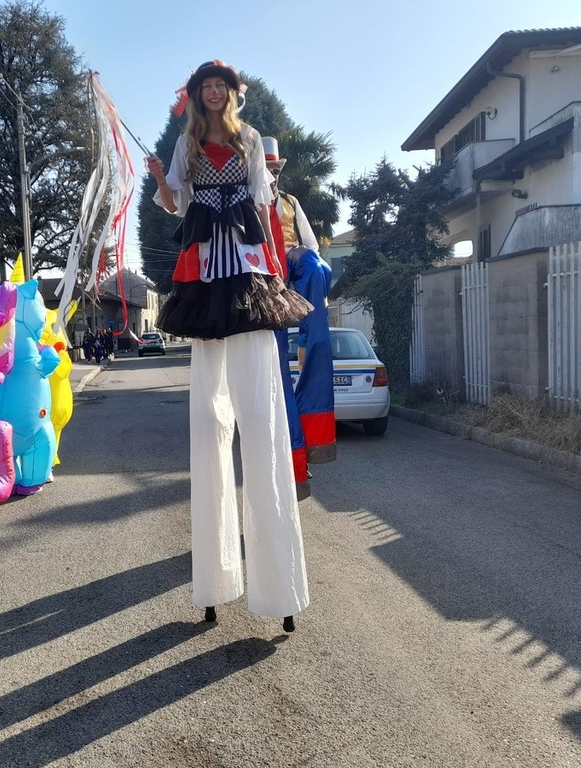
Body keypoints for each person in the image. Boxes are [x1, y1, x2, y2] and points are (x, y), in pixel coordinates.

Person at [146, 60, 313, 632]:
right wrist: (162, 183)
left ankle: (277, 586)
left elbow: (265, 205)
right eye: (204, 87)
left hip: (246, 268)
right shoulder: (185, 143)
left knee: (262, 424)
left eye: (220, 86)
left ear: (231, 93)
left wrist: (278, 270)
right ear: (195, 95)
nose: (213, 93)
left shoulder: (250, 141)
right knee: (209, 424)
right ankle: (216, 580)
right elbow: (173, 205)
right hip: (202, 273)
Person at [264, 136, 337, 465]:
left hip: (292, 261)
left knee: (316, 265)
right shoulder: (249, 200)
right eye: (266, 168)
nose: (271, 173)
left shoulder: (291, 201)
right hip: (266, 266)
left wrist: (305, 258)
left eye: (274, 169)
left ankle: (312, 323)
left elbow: (309, 241)